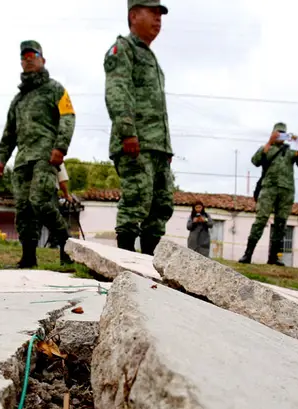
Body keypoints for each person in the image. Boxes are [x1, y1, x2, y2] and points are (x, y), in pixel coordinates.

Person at [0, 40, 76, 268]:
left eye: (33, 54)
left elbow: (68, 117)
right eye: (24, 56)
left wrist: (60, 147)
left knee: (41, 202)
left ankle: (66, 246)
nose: (28, 59)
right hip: (22, 160)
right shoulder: (18, 100)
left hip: (45, 156)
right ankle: (28, 256)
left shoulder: (55, 89)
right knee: (23, 209)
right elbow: (9, 132)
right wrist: (2, 159)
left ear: (43, 59)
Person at [105, 0, 174, 255]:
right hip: (135, 143)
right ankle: (125, 263)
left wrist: (166, 149)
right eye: (152, 13)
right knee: (136, 201)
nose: (158, 20)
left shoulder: (151, 58)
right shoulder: (122, 49)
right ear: (133, 15)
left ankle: (148, 266)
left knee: (161, 206)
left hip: (157, 146)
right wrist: (127, 133)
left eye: (160, 15)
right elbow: (117, 92)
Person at [238, 123, 298, 266]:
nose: (281, 136)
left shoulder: (291, 151)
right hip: (268, 188)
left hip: (286, 190)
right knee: (261, 220)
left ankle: (274, 258)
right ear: (273, 133)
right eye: (278, 133)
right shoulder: (267, 148)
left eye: (284, 133)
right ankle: (248, 254)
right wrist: (270, 141)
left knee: (281, 223)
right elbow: (255, 161)